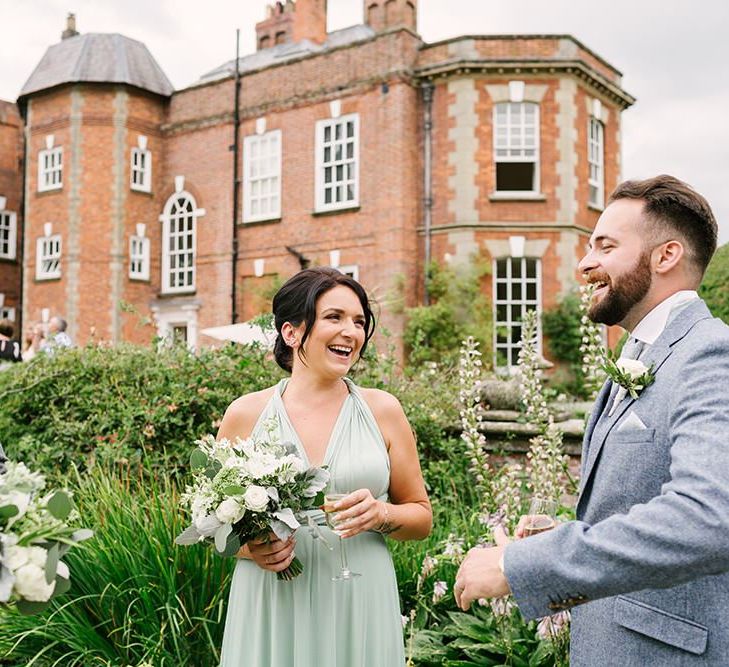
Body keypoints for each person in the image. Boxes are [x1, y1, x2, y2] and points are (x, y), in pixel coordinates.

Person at [455, 175, 729, 664]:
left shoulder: (709, 354)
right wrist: (564, 531)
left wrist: (522, 565)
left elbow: (708, 517)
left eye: (605, 246)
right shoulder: (639, 353)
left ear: (665, 256)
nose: (585, 263)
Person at [217, 267, 432, 667]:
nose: (351, 331)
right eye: (334, 317)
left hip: (359, 598)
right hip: (272, 600)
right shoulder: (245, 414)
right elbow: (212, 528)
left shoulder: (383, 410)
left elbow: (421, 517)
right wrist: (251, 549)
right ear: (291, 332)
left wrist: (380, 514)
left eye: (359, 322)